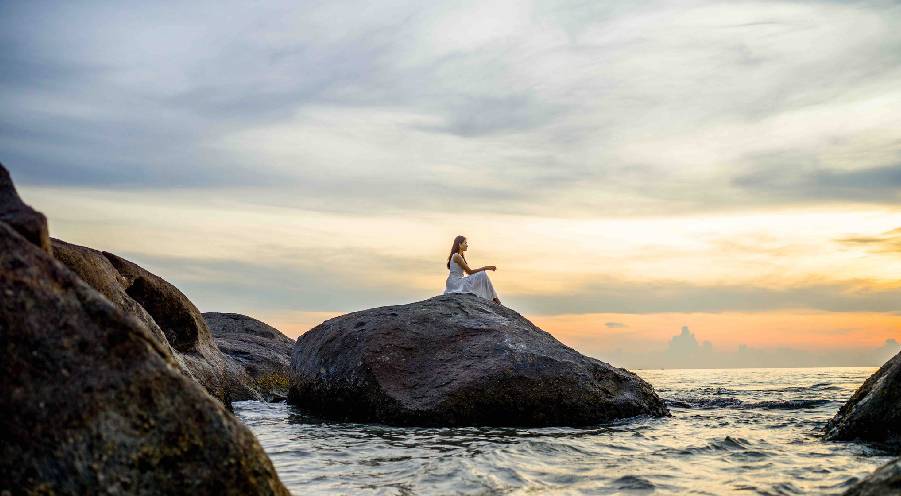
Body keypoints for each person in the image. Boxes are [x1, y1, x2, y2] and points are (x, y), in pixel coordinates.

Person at [444, 235, 501, 304]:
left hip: (454, 282)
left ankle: (494, 298)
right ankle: (494, 298)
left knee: (482, 275)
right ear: (459, 244)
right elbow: (469, 272)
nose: (467, 245)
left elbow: (469, 272)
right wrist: (485, 268)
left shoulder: (458, 256)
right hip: (455, 283)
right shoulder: (457, 256)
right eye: (465, 243)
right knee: (482, 274)